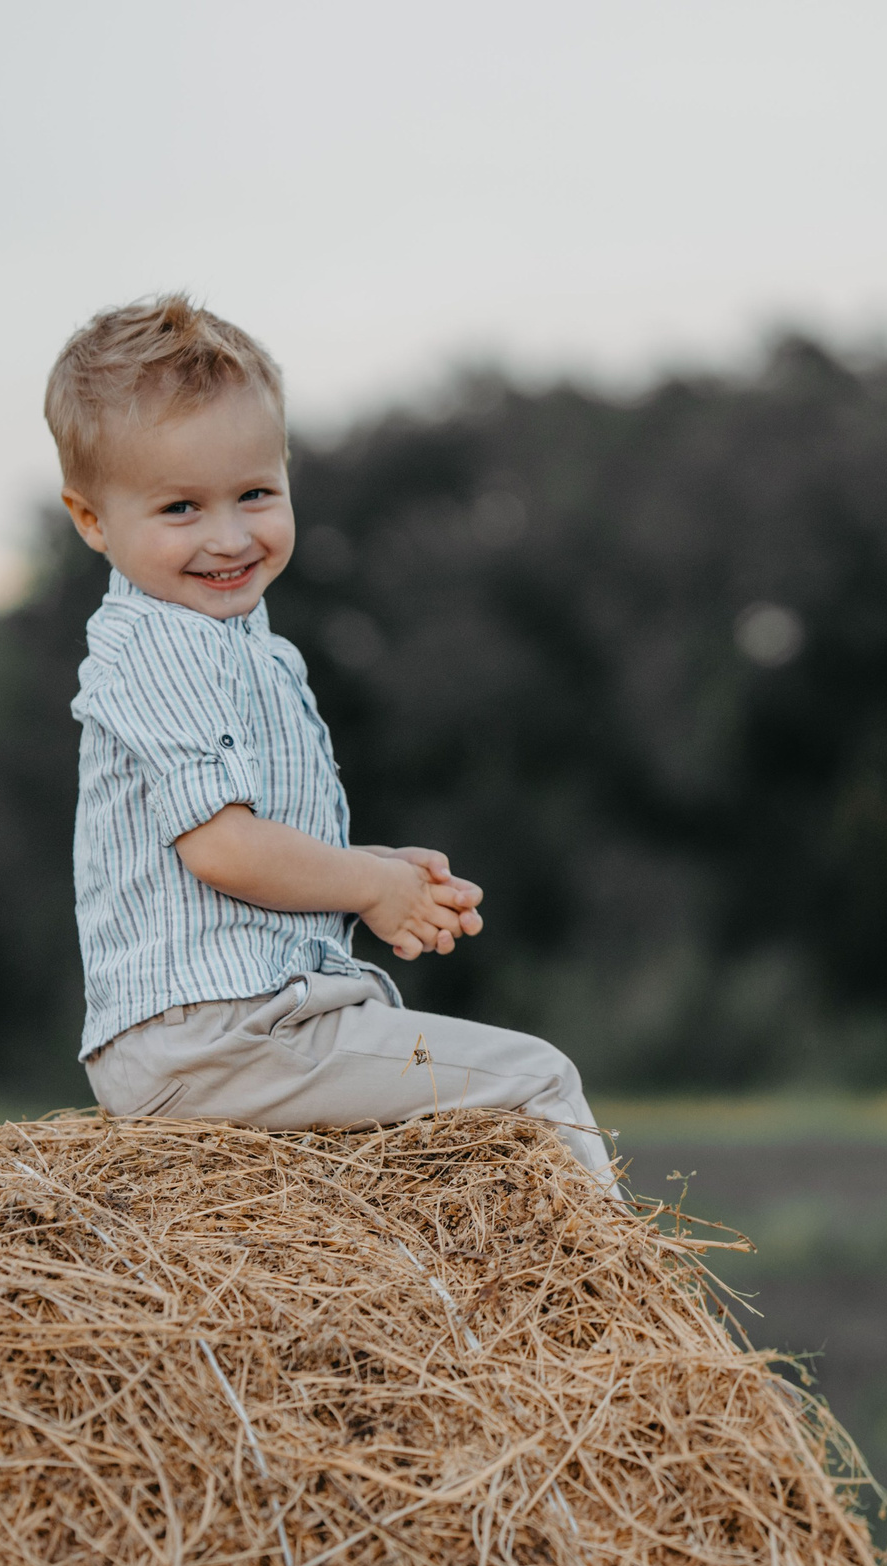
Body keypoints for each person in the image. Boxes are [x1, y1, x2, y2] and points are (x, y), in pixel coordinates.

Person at [47, 294, 612, 1186]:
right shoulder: (160, 645)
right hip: (212, 1038)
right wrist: (370, 886)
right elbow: (223, 848)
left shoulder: (237, 644)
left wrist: (378, 865)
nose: (229, 536)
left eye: (256, 494)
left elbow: (244, 843)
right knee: (536, 1079)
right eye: (181, 508)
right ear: (92, 521)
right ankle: (620, 1328)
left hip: (233, 1030)